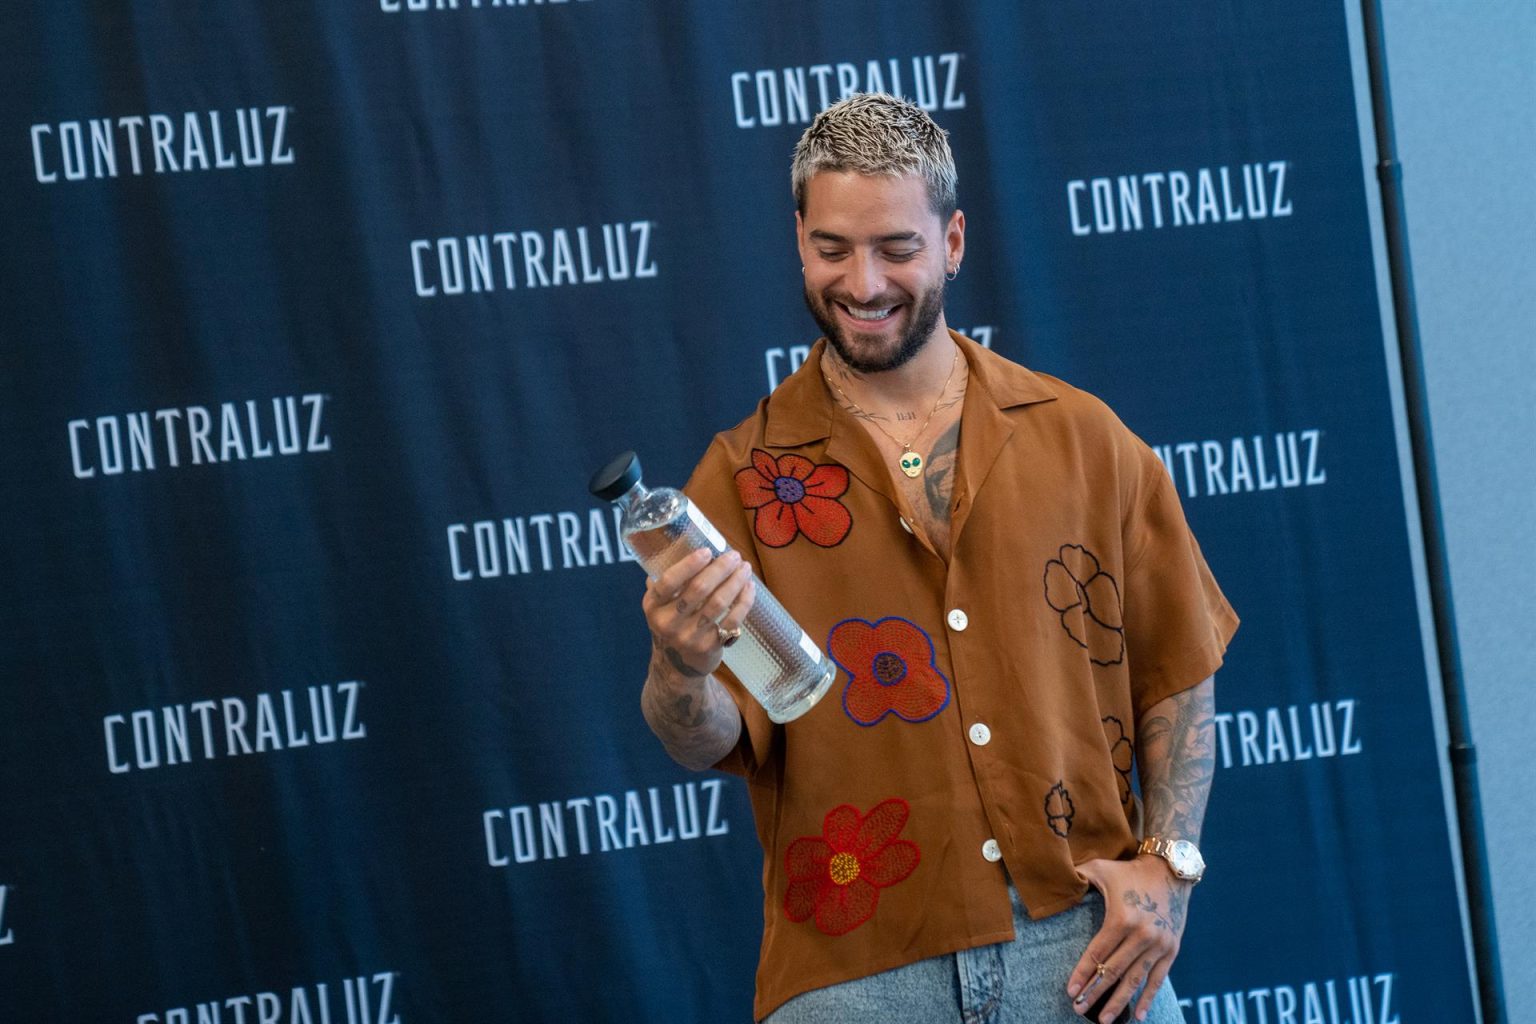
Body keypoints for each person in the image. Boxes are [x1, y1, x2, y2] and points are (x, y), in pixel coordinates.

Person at [638, 93, 1237, 1024]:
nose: (863, 283)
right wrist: (678, 664)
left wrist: (1171, 864)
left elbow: (1179, 667)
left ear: (953, 242)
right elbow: (703, 737)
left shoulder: (1083, 438)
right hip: (852, 974)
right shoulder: (739, 478)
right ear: (799, 239)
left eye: (897, 249)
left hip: (1078, 949)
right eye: (833, 248)